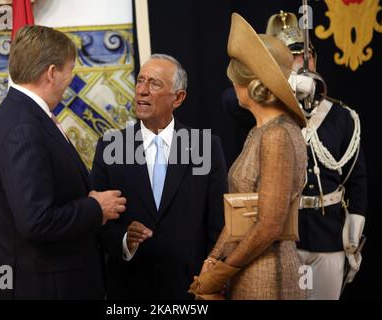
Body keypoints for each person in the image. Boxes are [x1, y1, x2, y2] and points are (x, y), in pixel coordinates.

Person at [0, 25, 126, 299]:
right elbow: (35, 220)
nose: (71, 77)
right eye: (70, 69)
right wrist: (95, 208)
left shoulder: (23, 113)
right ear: (51, 73)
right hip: (45, 287)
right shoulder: (23, 126)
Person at [189, 13, 308, 300]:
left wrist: (221, 272)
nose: (232, 85)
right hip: (249, 270)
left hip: (269, 278)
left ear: (251, 84)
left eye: (235, 78)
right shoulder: (260, 131)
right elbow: (240, 213)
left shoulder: (277, 135)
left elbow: (269, 225)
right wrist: (213, 259)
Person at [90, 53, 228, 299]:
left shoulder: (204, 147)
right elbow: (97, 222)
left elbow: (218, 224)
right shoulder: (110, 146)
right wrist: (125, 240)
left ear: (178, 98)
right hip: (130, 292)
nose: (142, 90)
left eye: (154, 84)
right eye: (140, 81)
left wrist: (211, 279)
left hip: (190, 291)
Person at [266, 11, 367, 300]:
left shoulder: (342, 117)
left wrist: (353, 234)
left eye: (307, 54)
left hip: (329, 235)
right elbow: (230, 102)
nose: (303, 62)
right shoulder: (268, 110)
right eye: (293, 56)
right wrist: (282, 85)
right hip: (283, 235)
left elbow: (356, 180)